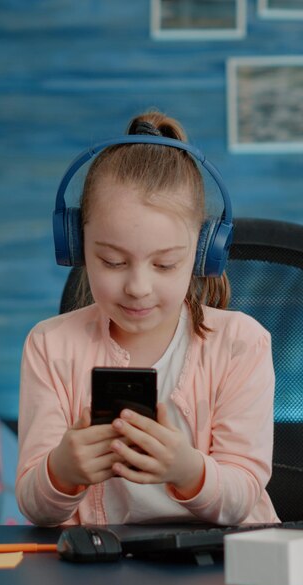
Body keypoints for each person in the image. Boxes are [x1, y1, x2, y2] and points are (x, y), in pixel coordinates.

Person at [16, 110, 279, 527]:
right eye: (113, 261)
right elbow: (36, 507)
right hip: (102, 570)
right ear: (77, 248)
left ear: (201, 255)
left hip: (224, 568)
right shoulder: (50, 346)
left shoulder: (241, 344)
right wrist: (61, 471)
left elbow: (244, 497)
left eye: (165, 265)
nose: (138, 287)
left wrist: (189, 471)